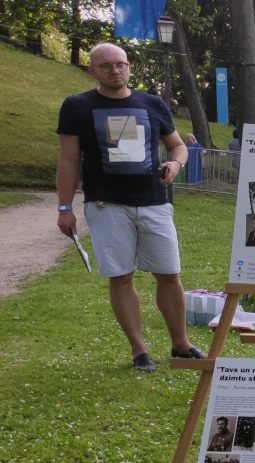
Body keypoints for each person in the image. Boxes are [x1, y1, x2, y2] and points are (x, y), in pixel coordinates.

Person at [56, 43, 206, 372]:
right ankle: (139, 350)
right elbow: (68, 161)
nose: (115, 71)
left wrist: (175, 166)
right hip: (106, 204)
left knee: (169, 275)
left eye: (120, 65)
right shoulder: (76, 106)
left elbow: (178, 146)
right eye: (106, 66)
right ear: (92, 70)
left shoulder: (152, 104)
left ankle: (181, 344)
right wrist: (64, 207)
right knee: (121, 277)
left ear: (129, 67)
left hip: (154, 202)